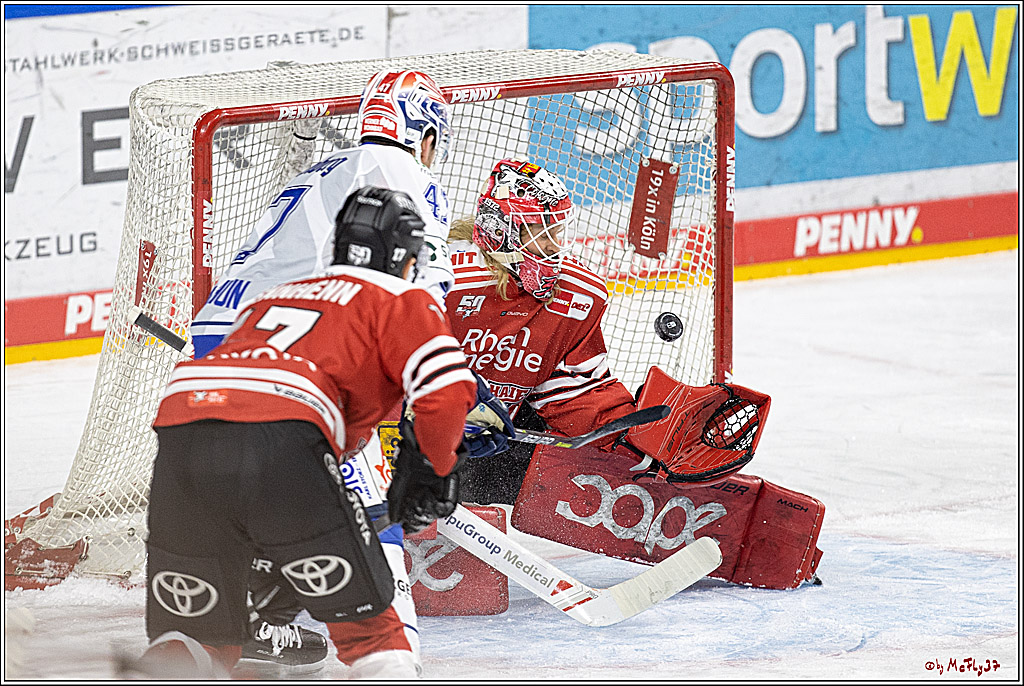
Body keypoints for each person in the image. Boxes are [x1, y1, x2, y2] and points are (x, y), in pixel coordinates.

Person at [134, 187, 477, 679]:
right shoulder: (402, 297)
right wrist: (435, 468)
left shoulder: (273, 296)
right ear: (406, 256)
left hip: (183, 434)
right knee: (376, 635)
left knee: (196, 638)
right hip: (285, 436)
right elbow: (445, 391)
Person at [190, 69, 455, 359]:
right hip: (279, 328)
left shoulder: (328, 165)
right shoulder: (400, 165)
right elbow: (428, 275)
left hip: (219, 323)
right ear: (426, 137)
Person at [444, 158, 643, 503]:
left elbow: (574, 390)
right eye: (541, 232)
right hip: (418, 439)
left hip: (500, 440)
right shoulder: (441, 283)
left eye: (558, 231)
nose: (554, 246)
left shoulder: (577, 292)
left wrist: (631, 437)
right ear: (501, 232)